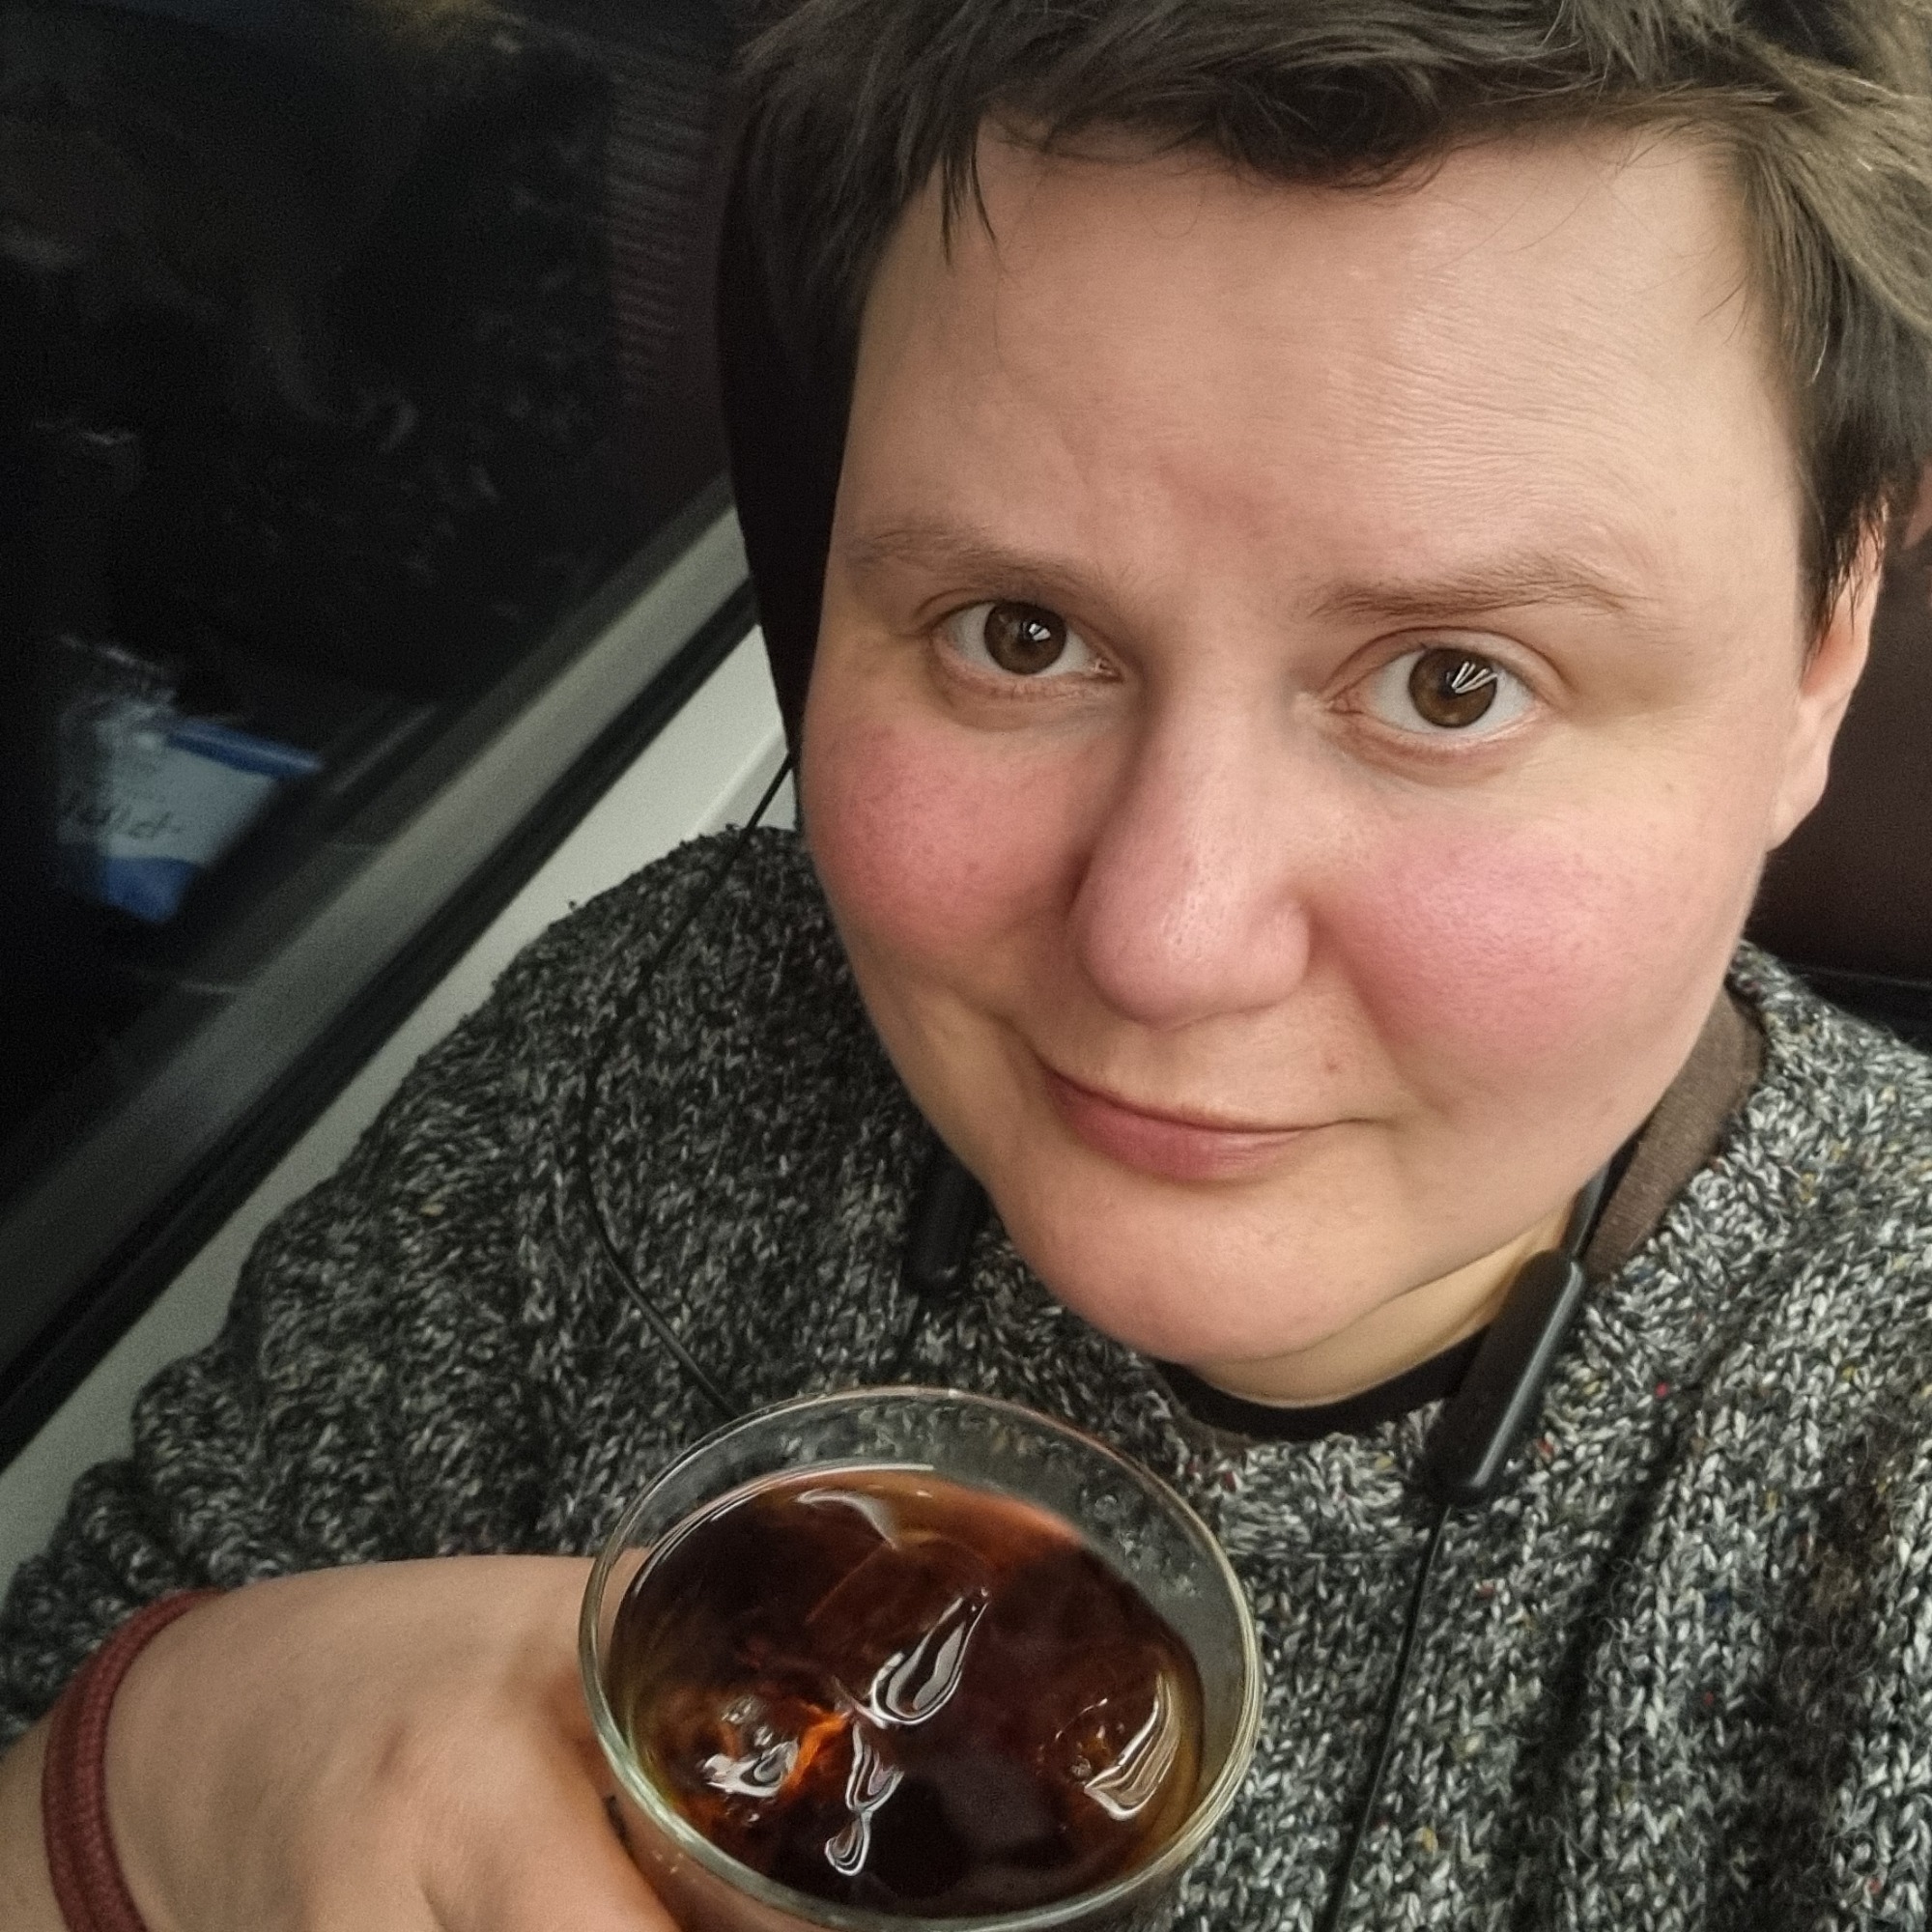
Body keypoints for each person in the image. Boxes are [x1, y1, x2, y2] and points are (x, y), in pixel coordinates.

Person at [7, 0, 1932, 1924]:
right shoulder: (642, 1040)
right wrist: (152, 1779)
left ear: (1822, 646)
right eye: (1017, 631)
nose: (1161, 943)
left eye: (1452, 684)